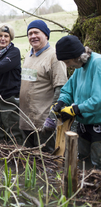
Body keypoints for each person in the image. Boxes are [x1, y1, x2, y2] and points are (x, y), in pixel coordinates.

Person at [51, 35, 101, 168]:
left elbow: (98, 100)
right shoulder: (79, 67)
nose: (67, 66)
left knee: (98, 164)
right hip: (84, 124)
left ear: (76, 56)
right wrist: (61, 103)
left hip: (98, 124)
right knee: (83, 161)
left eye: (67, 62)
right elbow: (68, 90)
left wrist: (75, 109)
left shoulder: (98, 63)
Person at [19, 20, 67, 152]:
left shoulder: (55, 57)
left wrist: (52, 117)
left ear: (46, 35)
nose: (33, 36)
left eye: (36, 32)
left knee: (47, 160)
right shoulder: (29, 55)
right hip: (26, 119)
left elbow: (61, 89)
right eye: (30, 33)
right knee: (29, 159)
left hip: (44, 123)